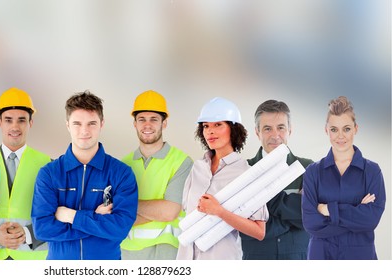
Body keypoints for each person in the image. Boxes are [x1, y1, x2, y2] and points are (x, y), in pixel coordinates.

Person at [31, 90, 138, 260]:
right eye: (77, 123)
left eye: (91, 123)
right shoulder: (49, 174)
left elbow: (120, 228)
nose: (84, 131)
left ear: (102, 124)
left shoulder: (121, 173)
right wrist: (95, 221)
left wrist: (70, 216)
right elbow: (43, 229)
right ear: (67, 125)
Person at [176, 97, 268, 260]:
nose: (210, 131)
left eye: (218, 125)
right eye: (206, 126)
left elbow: (259, 231)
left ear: (233, 129)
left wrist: (219, 211)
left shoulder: (246, 173)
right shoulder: (197, 168)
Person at [302, 96, 386, 260]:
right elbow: (310, 223)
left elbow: (370, 220)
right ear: (326, 130)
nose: (340, 136)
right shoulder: (313, 172)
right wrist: (356, 213)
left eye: (346, 129)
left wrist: (327, 210)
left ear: (356, 129)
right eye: (334, 129)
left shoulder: (372, 172)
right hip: (321, 256)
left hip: (360, 258)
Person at [120, 90, 193, 260]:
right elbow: (117, 216)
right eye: (142, 119)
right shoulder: (123, 165)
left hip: (166, 254)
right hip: (126, 254)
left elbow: (169, 211)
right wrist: (154, 210)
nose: (147, 125)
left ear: (164, 123)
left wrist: (126, 204)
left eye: (154, 119)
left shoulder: (181, 162)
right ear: (135, 124)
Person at [0, 88, 51, 260]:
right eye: (8, 120)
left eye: (21, 120)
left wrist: (28, 234)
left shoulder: (48, 165)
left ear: (31, 123)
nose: (15, 126)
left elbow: (57, 214)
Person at [240, 100, 313, 260]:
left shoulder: (308, 169)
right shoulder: (243, 170)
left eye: (281, 127)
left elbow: (312, 218)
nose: (275, 135)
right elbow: (239, 227)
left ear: (290, 130)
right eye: (267, 129)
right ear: (257, 132)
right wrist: (293, 212)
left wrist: (263, 208)